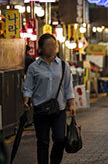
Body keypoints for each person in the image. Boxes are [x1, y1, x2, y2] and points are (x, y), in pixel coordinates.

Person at [23, 34, 76, 164]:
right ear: (41, 48)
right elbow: (28, 87)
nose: (52, 48)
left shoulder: (63, 65)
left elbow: (68, 86)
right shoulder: (33, 67)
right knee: (42, 142)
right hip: (40, 109)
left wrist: (72, 104)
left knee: (60, 139)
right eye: (49, 45)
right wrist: (26, 98)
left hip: (59, 109)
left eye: (54, 45)